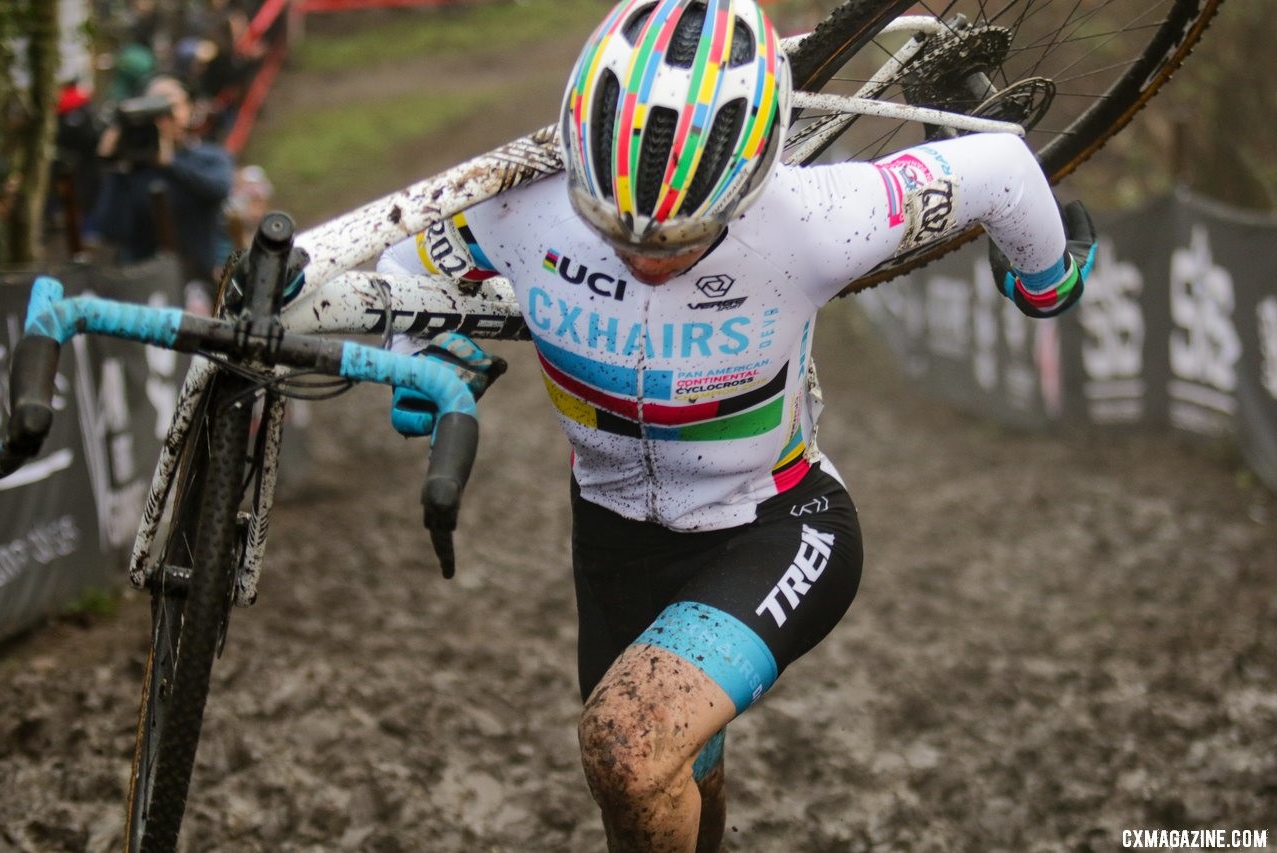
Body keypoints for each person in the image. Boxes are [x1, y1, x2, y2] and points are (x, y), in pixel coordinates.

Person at [378, 1, 1095, 849]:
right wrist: (418, 351)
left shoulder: (817, 215)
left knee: (626, 746)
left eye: (687, 238)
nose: (647, 257)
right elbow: (401, 265)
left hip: (778, 527)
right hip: (609, 538)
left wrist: (1044, 278)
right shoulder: (513, 201)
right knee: (667, 777)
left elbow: (1004, 169)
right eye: (611, 223)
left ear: (755, 182)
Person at [89, 76, 234, 282]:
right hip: (145, 284)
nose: (165, 118)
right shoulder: (133, 170)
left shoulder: (208, 157)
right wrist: (113, 166)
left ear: (189, 109)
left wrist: (170, 164)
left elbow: (218, 189)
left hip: (197, 279)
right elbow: (110, 230)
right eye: (154, 109)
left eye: (171, 105)